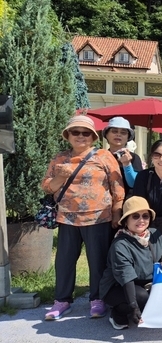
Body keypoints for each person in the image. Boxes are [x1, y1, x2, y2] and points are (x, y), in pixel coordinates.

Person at [42, 115, 125, 321]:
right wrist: (61, 176)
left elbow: (117, 186)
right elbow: (48, 187)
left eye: (86, 133)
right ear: (68, 135)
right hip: (67, 218)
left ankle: (97, 299)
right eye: (75, 132)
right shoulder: (60, 158)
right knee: (64, 261)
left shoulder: (104, 156)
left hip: (98, 217)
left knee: (97, 262)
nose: (81, 136)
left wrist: (117, 213)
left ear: (93, 136)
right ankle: (62, 300)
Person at [100, 196, 162, 330]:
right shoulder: (120, 245)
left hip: (145, 283)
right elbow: (126, 278)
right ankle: (118, 313)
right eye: (135, 216)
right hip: (119, 285)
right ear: (126, 220)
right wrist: (133, 306)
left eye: (145, 216)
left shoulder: (155, 234)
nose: (141, 220)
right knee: (142, 298)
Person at [103, 116, 143, 191]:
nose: (118, 135)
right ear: (106, 135)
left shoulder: (134, 158)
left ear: (128, 137)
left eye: (123, 133)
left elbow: (135, 183)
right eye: (114, 131)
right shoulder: (101, 157)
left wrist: (127, 165)